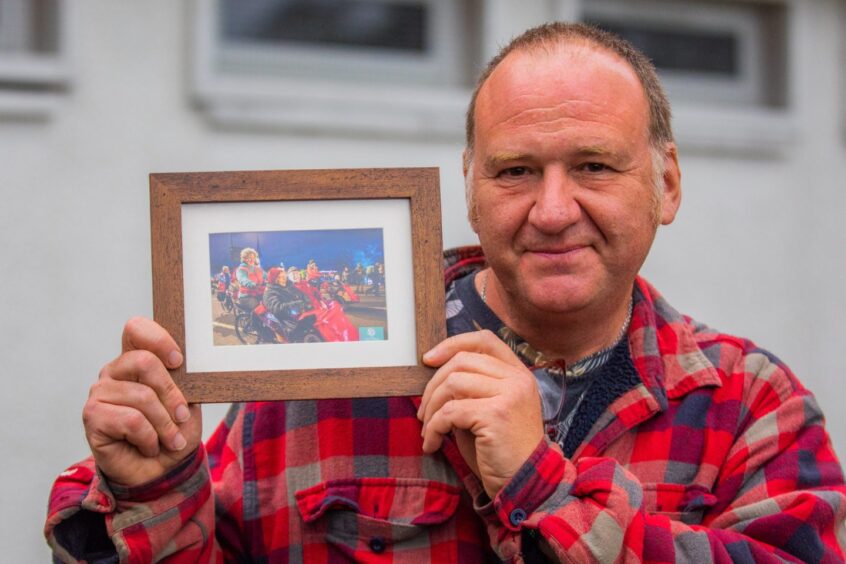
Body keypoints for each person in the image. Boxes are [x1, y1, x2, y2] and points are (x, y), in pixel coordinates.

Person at [45, 22, 845, 562]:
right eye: (516, 170)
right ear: (469, 187)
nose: (554, 209)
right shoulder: (318, 371)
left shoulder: (751, 407)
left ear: (666, 185)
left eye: (595, 166)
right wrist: (151, 486)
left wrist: (540, 484)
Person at [234, 247, 264, 313]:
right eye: (249, 258)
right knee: (258, 308)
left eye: (253, 258)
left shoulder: (257, 269)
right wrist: (251, 284)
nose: (251, 260)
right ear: (244, 259)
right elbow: (243, 279)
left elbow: (267, 276)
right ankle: (254, 323)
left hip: (258, 293)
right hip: (246, 296)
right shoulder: (241, 269)